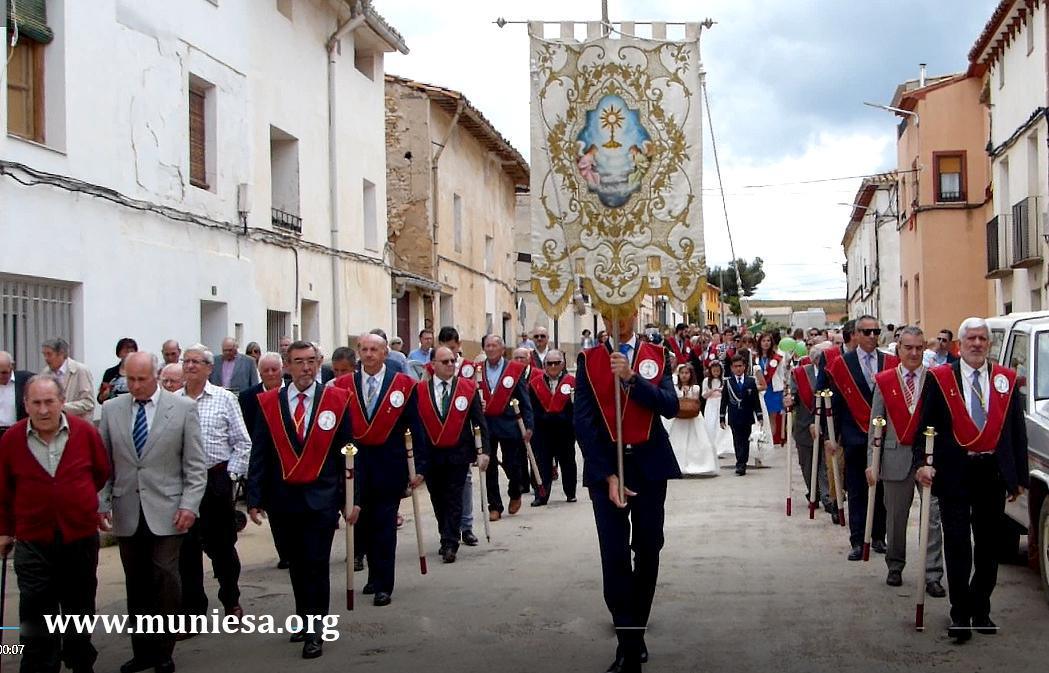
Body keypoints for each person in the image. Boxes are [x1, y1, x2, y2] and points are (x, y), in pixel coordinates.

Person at [574, 308, 680, 672]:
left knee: (648, 548)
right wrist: (607, 475)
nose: (615, 319)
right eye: (608, 313)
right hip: (608, 470)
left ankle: (634, 632)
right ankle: (628, 643)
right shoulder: (589, 360)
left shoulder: (657, 354)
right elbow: (583, 422)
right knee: (614, 556)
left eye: (622, 312)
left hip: (650, 464)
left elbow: (671, 406)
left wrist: (634, 379)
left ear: (634, 313)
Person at [914, 317, 1029, 642]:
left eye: (982, 339)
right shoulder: (940, 379)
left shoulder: (1005, 381)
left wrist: (1017, 476)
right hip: (954, 473)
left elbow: (1015, 431)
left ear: (988, 344)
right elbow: (926, 425)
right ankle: (960, 614)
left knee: (990, 547)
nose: (977, 344)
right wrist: (923, 462)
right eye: (971, 339)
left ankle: (981, 607)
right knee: (958, 545)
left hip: (992, 474)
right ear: (959, 345)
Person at [98, 352, 206, 673]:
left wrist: (189, 504)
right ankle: (142, 651)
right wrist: (102, 501)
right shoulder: (111, 409)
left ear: (156, 375)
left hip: (169, 509)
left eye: (141, 379)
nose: (135, 386)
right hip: (127, 508)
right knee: (137, 582)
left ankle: (163, 651)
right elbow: (105, 464)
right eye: (130, 379)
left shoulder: (182, 408)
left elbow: (195, 465)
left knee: (164, 577)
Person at [247, 341, 352, 658]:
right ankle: (303, 616)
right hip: (282, 499)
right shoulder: (268, 403)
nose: (306, 367)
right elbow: (260, 452)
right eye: (298, 362)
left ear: (319, 363)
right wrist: (254, 496)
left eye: (311, 361)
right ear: (287, 368)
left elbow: (348, 451)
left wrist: (350, 498)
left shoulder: (336, 400)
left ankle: (316, 629)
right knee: (295, 563)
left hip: (322, 497)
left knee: (317, 564)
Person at [0, 374, 110, 673]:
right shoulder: (11, 440)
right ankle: (39, 665)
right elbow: (3, 490)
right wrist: (4, 531)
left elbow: (100, 473)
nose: (44, 409)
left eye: (50, 401)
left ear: (62, 402)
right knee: (36, 606)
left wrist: (75, 499)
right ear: (25, 405)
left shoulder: (85, 433)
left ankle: (79, 661)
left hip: (79, 535)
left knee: (79, 606)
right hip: (33, 538)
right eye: (36, 403)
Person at [343, 334, 425, 606]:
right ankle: (373, 575)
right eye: (364, 349)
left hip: (390, 464)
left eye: (374, 349)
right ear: (358, 352)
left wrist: (418, 466)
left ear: (385, 352)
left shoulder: (403, 385)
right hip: (356, 465)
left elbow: (416, 426)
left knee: (384, 525)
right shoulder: (345, 385)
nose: (369, 354)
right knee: (363, 525)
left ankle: (384, 584)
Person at [176, 344, 251, 622]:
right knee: (186, 550)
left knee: (222, 547)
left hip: (215, 479)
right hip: (182, 485)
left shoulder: (224, 399)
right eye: (187, 361)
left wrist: (230, 477)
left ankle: (230, 598)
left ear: (210, 368)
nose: (191, 366)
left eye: (197, 362)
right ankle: (193, 611)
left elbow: (243, 442)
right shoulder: (172, 401)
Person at [868, 326, 945, 595]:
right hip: (894, 457)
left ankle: (933, 573)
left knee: (932, 518)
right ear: (898, 348)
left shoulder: (936, 379)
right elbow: (875, 424)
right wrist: (872, 462)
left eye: (919, 348)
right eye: (908, 347)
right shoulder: (884, 381)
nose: (914, 353)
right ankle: (895, 565)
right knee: (896, 517)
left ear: (925, 349)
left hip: (928, 458)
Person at [820, 315, 897, 561]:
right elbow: (832, 402)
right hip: (854, 435)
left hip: (882, 437)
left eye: (876, 332)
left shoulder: (890, 362)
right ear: (856, 334)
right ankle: (857, 539)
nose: (872, 337)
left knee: (882, 487)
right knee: (856, 490)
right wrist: (829, 436)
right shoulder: (842, 364)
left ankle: (878, 536)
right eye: (867, 332)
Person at [416, 346, 490, 562]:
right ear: (433, 365)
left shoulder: (467, 388)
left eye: (452, 361)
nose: (450, 365)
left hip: (458, 452)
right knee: (437, 497)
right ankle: (445, 533)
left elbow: (480, 422)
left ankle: (450, 542)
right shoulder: (421, 390)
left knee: (454, 496)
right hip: (431, 454)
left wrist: (483, 451)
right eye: (445, 361)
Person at [479, 335, 533, 520]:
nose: (491, 349)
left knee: (513, 464)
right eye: (488, 346)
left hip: (509, 423)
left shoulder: (514, 370)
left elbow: (524, 399)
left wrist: (529, 425)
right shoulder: (478, 370)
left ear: (503, 349)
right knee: (489, 465)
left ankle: (515, 491)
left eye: (495, 345)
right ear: (484, 349)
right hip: (486, 425)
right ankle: (494, 505)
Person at [787, 342, 835, 522]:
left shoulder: (832, 372)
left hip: (828, 424)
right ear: (816, 360)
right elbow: (793, 394)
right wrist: (790, 400)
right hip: (804, 424)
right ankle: (813, 490)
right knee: (807, 463)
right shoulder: (799, 373)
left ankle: (826, 496)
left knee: (825, 463)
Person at [528, 349, 577, 504]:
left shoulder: (572, 382)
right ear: (544, 365)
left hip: (565, 430)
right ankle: (541, 495)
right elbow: (533, 408)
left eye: (557, 363)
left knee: (567, 461)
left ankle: (570, 492)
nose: (554, 366)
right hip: (543, 430)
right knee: (542, 462)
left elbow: (575, 407)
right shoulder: (535, 384)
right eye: (550, 363)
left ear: (563, 364)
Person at [666, 363, 717, 476]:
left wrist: (686, 394)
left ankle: (698, 465)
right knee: (678, 442)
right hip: (680, 417)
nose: (684, 375)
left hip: (693, 417)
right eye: (682, 373)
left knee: (698, 441)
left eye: (687, 373)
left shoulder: (695, 387)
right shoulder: (675, 388)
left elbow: (695, 400)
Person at [720, 356, 763, 476]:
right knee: (737, 440)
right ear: (731, 368)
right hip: (734, 416)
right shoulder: (728, 382)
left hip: (747, 416)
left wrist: (759, 415)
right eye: (735, 366)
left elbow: (755, 400)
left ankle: (743, 462)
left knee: (745, 441)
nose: (738, 369)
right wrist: (722, 417)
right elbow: (724, 401)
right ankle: (740, 463)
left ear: (744, 367)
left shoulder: (750, 381)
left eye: (740, 366)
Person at [41, 338, 95, 421]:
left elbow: (89, 403)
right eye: (44, 354)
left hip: (77, 425)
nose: (46, 358)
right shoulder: (45, 373)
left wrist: (61, 407)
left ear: (61, 354)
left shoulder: (80, 371)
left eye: (49, 354)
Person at [756, 333, 786, 447]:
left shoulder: (777, 357)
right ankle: (760, 441)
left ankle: (770, 442)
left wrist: (784, 389)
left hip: (773, 389)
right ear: (760, 342)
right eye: (763, 341)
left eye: (768, 340)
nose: (766, 343)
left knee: (772, 417)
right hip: (760, 389)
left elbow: (781, 374)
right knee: (761, 417)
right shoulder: (755, 357)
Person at [699, 360, 733, 460]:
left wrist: (721, 391)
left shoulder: (724, 380)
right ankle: (711, 447)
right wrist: (712, 391)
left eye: (718, 371)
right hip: (711, 404)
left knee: (720, 425)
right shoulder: (706, 381)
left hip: (720, 403)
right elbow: (704, 395)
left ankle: (721, 447)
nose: (716, 373)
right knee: (710, 424)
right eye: (714, 371)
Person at [0, 351, 33, 438]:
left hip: (19, 433)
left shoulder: (27, 380)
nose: (0, 376)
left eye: (4, 372)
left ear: (12, 367)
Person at [98, 337, 138, 404]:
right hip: (114, 408)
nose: (129, 354)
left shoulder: (140, 371)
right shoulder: (110, 373)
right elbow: (100, 399)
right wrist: (103, 395)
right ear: (119, 354)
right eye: (126, 351)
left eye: (131, 351)